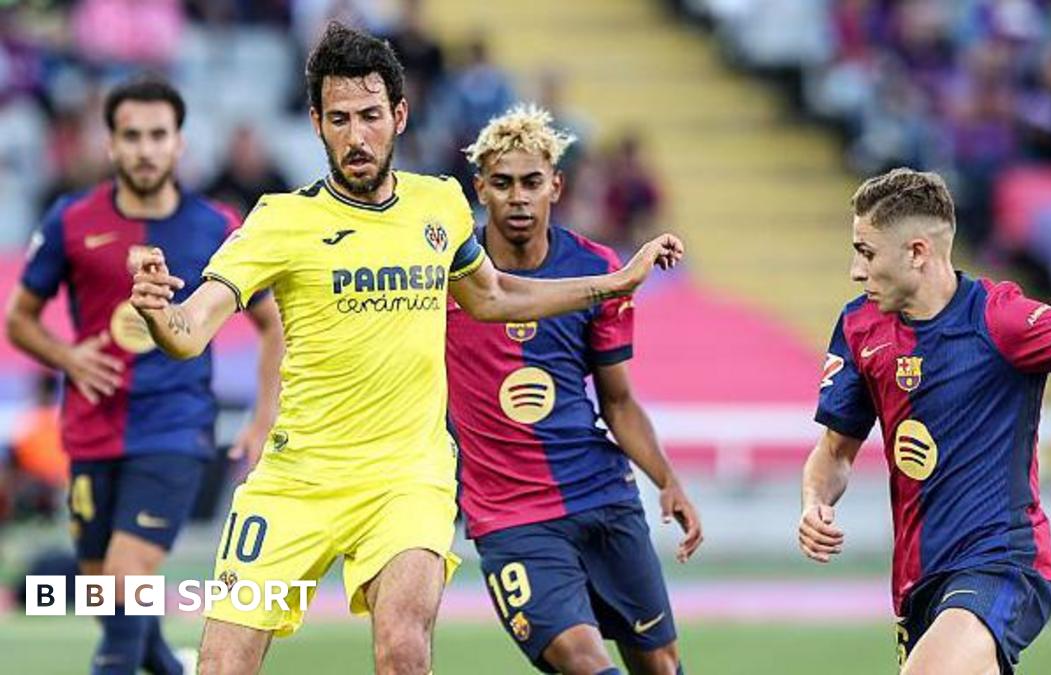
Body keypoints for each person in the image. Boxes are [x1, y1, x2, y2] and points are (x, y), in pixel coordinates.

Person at [125, 23, 684, 675]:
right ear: (315, 122)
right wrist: (163, 315)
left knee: (402, 650)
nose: (356, 135)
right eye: (339, 118)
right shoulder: (280, 219)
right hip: (294, 481)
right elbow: (193, 330)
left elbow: (494, 296)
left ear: (399, 115)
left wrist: (612, 283)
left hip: (406, 478)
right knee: (223, 664)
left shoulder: (439, 204)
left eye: (369, 115)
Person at [799, 167, 1051, 675]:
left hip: (1002, 561)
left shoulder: (999, 320)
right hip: (918, 580)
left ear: (918, 252)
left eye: (867, 252)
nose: (856, 271)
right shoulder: (860, 327)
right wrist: (815, 503)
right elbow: (834, 451)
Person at [4, 76, 284, 675]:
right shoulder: (70, 221)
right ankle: (173, 668)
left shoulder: (217, 226)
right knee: (107, 591)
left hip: (174, 431)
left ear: (180, 143)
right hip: (89, 432)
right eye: (132, 135)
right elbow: (20, 320)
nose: (145, 148)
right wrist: (70, 356)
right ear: (111, 145)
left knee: (127, 583)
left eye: (158, 135)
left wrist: (264, 420)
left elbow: (272, 325)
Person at [447, 105, 702, 675]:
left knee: (660, 665)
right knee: (585, 664)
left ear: (555, 187)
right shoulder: (447, 274)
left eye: (532, 182)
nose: (519, 197)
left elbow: (617, 401)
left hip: (601, 495)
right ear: (480, 188)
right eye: (504, 183)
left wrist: (668, 479)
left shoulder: (592, 265)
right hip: (509, 516)